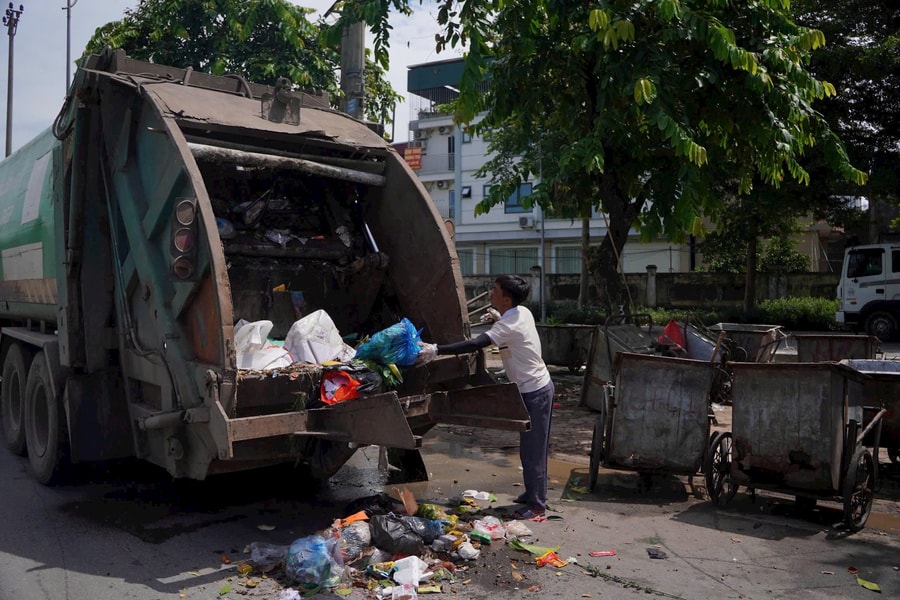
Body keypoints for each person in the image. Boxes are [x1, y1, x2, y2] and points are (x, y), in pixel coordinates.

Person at [418, 275, 554, 519]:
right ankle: (532, 492)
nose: (491, 293)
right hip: (532, 387)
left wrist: (437, 349)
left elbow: (475, 344)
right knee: (529, 447)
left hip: (535, 390)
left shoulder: (508, 326)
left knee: (534, 449)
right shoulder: (521, 312)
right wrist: (499, 318)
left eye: (495, 290)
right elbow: (509, 331)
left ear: (506, 298)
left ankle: (536, 506)